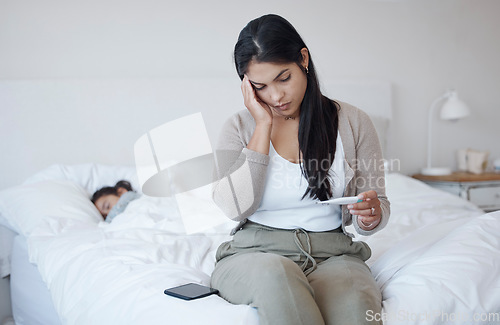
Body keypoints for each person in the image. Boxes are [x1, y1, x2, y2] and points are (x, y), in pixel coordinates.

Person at [210, 14, 390, 325]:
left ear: (303, 59)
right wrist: (262, 125)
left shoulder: (354, 122)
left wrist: (371, 215)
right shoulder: (239, 127)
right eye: (260, 86)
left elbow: (377, 205)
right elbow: (234, 207)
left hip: (333, 255)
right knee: (277, 276)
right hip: (254, 255)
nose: (276, 96)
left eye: (284, 78)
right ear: (247, 87)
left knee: (357, 305)